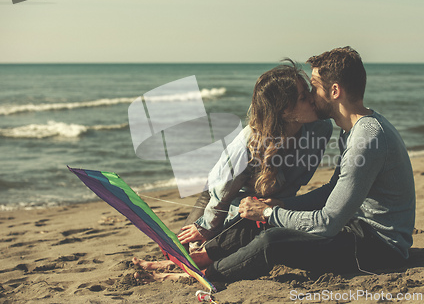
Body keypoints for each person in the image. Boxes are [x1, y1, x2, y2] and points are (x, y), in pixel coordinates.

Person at [132, 60, 333, 282]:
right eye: (304, 97)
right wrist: (207, 226)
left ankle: (186, 262)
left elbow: (292, 186)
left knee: (243, 234)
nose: (313, 99)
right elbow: (222, 190)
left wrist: (277, 209)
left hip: (261, 203)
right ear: (284, 110)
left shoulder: (320, 129)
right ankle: (174, 263)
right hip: (219, 196)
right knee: (187, 248)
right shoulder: (250, 142)